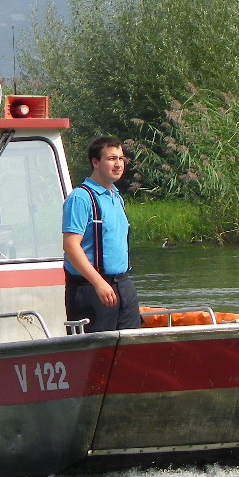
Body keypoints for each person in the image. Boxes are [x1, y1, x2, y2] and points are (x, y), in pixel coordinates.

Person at [62, 136, 141, 332]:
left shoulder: (116, 196)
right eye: (111, 158)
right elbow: (71, 246)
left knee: (132, 345)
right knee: (97, 347)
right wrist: (98, 283)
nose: (118, 164)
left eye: (121, 158)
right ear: (95, 162)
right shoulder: (81, 198)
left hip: (123, 285)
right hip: (91, 288)